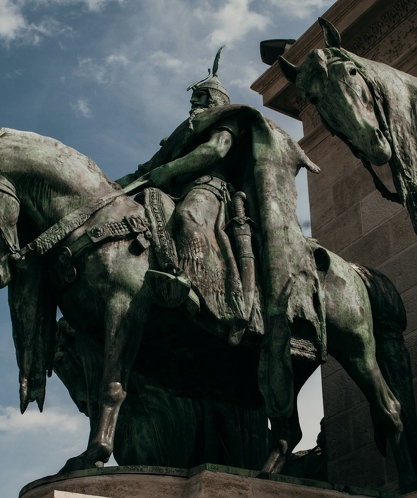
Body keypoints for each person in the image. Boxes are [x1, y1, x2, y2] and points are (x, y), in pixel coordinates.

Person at [117, 47, 325, 421]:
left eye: (200, 97)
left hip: (213, 188)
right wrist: (108, 188)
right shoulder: (182, 132)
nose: (194, 104)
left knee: (189, 220)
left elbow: (216, 150)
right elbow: (145, 169)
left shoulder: (224, 120)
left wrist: (171, 170)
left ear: (214, 99)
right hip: (173, 189)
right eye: (194, 98)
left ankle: (206, 293)